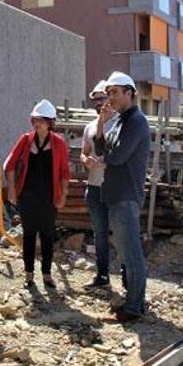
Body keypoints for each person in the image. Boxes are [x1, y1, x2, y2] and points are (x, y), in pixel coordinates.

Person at [94, 71, 151, 322]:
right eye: (108, 93)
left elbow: (115, 156)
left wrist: (107, 150)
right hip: (115, 194)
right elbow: (100, 149)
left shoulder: (136, 121)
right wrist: (101, 124)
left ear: (129, 93)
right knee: (126, 254)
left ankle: (135, 307)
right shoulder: (118, 121)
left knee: (132, 253)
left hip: (126, 194)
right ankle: (132, 301)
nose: (110, 97)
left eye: (115, 92)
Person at [4, 99, 70, 289]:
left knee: (48, 235)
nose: (36, 123)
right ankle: (28, 275)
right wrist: (11, 190)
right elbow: (9, 165)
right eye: (34, 120)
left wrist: (63, 196)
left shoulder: (58, 143)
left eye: (40, 120)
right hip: (27, 196)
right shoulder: (25, 139)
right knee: (29, 236)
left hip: (49, 197)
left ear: (49, 122)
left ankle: (47, 274)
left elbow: (65, 172)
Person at [81, 80, 118, 290]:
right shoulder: (90, 126)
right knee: (100, 234)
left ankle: (127, 278)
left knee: (121, 233)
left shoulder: (121, 124)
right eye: (95, 100)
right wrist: (86, 160)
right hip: (94, 187)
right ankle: (102, 275)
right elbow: (84, 152)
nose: (98, 103)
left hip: (115, 188)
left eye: (101, 98)